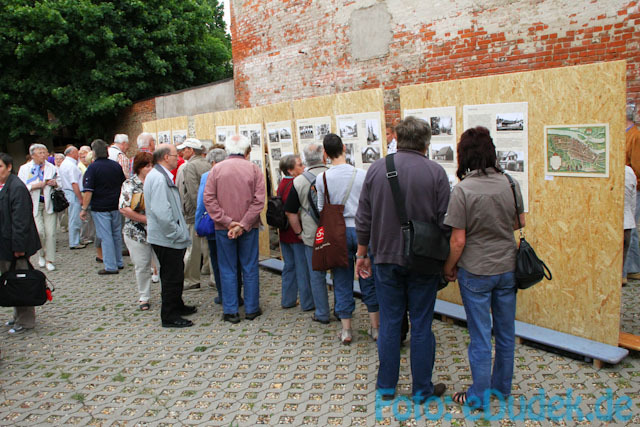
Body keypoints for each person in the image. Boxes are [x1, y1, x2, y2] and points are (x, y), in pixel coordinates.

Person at [355, 116, 449, 402]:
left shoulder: (377, 169)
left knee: (391, 322)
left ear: (397, 137)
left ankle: (386, 387)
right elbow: (445, 222)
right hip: (424, 260)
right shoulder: (436, 173)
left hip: (384, 257)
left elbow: (364, 217)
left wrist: (362, 253)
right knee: (421, 323)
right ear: (426, 142)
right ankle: (421, 389)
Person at [442, 126, 525, 407]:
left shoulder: (462, 190)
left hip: (475, 270)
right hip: (506, 268)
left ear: (464, 155)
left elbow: (458, 240)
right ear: (491, 151)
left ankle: (478, 395)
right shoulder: (510, 183)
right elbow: (518, 222)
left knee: (479, 336)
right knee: (505, 333)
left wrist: (449, 268)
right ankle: (501, 389)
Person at [203, 135, 265, 324]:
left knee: (227, 267)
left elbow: (209, 199)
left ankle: (230, 310)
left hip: (223, 229)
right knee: (250, 267)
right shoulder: (254, 169)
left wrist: (228, 222)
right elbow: (259, 201)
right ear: (246, 151)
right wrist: (243, 224)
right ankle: (252, 308)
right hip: (249, 227)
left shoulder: (216, 170)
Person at [315, 133, 368, 344]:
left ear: (325, 154)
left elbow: (321, 208)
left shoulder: (323, 178)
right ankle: (376, 327)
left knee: (341, 280)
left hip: (338, 234)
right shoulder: (362, 174)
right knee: (367, 277)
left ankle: (346, 330)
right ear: (344, 148)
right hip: (362, 231)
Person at [144, 143, 196, 328]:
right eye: (175, 155)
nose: (178, 157)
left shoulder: (159, 175)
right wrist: (174, 233)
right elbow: (161, 211)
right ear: (166, 157)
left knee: (175, 273)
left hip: (167, 236)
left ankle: (177, 305)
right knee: (171, 277)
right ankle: (169, 315)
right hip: (167, 238)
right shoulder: (158, 178)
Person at [285, 143, 331, 324]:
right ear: (324, 157)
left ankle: (322, 312)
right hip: (336, 232)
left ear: (305, 160)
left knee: (316, 274)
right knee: (341, 271)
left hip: (313, 234)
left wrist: (299, 233)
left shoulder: (298, 181)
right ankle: (344, 311)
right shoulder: (333, 174)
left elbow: (290, 211)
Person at [0, 153, 42, 334]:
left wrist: (18, 247)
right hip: (5, 243)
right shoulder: (5, 186)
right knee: (11, 280)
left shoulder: (16, 187)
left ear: (9, 167)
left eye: (0, 167)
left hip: (16, 245)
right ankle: (17, 316)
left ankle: (26, 321)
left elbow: (21, 220)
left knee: (21, 281)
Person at [196, 148, 243, 304]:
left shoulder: (207, 176)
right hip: (235, 224)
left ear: (213, 162)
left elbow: (202, 203)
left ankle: (224, 295)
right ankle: (237, 294)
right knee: (235, 261)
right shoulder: (237, 173)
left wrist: (198, 225)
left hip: (215, 225)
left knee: (217, 262)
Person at [119, 152, 159, 310]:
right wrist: (145, 220)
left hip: (158, 231)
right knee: (142, 265)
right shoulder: (130, 184)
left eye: (152, 165)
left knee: (162, 264)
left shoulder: (157, 182)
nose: (150, 169)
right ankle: (144, 296)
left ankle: (167, 294)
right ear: (139, 168)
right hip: (136, 232)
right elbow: (124, 209)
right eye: (147, 166)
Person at [80, 139, 126, 274]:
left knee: (105, 236)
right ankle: (119, 261)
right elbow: (123, 184)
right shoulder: (115, 166)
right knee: (117, 234)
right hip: (115, 205)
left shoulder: (92, 168)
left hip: (100, 207)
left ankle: (111, 266)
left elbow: (88, 191)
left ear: (94, 152)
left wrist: (84, 209)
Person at [277, 155, 314, 311]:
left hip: (284, 232)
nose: (304, 167)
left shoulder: (282, 183)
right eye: (300, 165)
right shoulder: (294, 184)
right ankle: (307, 303)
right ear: (291, 170)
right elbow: (292, 211)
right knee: (302, 269)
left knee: (289, 267)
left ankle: (288, 299)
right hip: (295, 233)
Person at [17, 143, 59, 271]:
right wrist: (36, 186)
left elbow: (60, 182)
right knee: (39, 232)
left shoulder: (51, 167)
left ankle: (50, 260)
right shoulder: (25, 168)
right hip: (33, 204)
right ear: (33, 155)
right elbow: (21, 187)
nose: (43, 155)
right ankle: (41, 254)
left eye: (44, 152)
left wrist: (55, 183)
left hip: (49, 204)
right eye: (40, 153)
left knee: (51, 233)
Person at [178, 138, 211, 291]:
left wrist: (200, 212)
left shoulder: (190, 166)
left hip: (195, 212)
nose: (182, 152)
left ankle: (192, 279)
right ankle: (211, 274)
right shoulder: (207, 163)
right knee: (209, 245)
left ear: (191, 150)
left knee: (193, 247)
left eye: (184, 149)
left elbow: (193, 192)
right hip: (209, 210)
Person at [59, 146, 87, 252]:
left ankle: (76, 239)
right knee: (74, 218)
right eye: (76, 152)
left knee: (74, 217)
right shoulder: (70, 165)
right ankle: (74, 241)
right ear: (71, 153)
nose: (78, 154)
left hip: (69, 192)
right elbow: (74, 183)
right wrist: (80, 197)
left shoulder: (66, 164)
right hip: (73, 193)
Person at [625, 104, 640, 279]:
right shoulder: (628, 135)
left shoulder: (635, 136)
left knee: (631, 226)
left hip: (633, 187)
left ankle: (633, 268)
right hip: (627, 185)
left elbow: (637, 166)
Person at [623, 165, 637, 286]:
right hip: (626, 221)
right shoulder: (629, 172)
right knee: (624, 251)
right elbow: (633, 201)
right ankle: (623, 276)